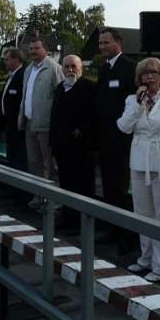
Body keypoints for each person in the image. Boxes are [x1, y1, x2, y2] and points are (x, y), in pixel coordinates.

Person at [117, 57, 160, 282]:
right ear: (139, 78)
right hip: (139, 162)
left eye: (154, 72)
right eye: (145, 73)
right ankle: (146, 258)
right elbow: (123, 127)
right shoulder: (132, 100)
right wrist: (138, 106)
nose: (149, 76)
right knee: (142, 214)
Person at [95, 27, 137, 249]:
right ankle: (111, 229)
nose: (102, 46)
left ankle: (126, 235)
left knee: (121, 187)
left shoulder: (130, 67)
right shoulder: (103, 69)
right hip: (104, 138)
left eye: (106, 42)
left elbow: (134, 104)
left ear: (118, 43)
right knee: (108, 185)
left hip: (122, 139)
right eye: (100, 43)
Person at [49, 55, 97, 228]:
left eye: (73, 66)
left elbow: (94, 114)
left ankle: (82, 223)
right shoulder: (60, 88)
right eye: (66, 67)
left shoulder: (89, 87)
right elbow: (55, 116)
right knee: (66, 184)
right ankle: (69, 218)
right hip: (63, 147)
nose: (70, 70)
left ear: (80, 68)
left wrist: (82, 129)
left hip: (81, 148)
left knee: (83, 186)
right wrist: (53, 143)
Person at [18, 38, 64, 209]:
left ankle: (54, 201)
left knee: (49, 165)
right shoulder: (29, 69)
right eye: (30, 48)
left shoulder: (54, 68)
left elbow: (61, 95)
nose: (33, 51)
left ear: (46, 49)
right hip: (30, 123)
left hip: (46, 125)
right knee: (34, 163)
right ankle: (39, 196)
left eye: (37, 48)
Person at [0, 48, 27, 172]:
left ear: (16, 59)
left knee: (18, 157)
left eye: (7, 59)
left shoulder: (22, 75)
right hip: (9, 124)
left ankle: (19, 181)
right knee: (11, 155)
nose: (5, 62)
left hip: (17, 125)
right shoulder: (12, 75)